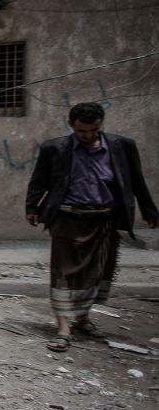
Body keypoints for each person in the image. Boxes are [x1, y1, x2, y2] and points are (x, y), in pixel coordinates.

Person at [25, 102, 157, 348]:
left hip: (105, 219)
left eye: (93, 130)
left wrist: (150, 209)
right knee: (63, 272)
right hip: (67, 218)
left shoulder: (121, 146)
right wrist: (32, 207)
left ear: (100, 125)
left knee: (96, 272)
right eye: (82, 131)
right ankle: (63, 329)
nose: (87, 136)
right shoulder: (55, 148)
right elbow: (39, 180)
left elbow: (136, 181)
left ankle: (82, 318)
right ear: (71, 125)